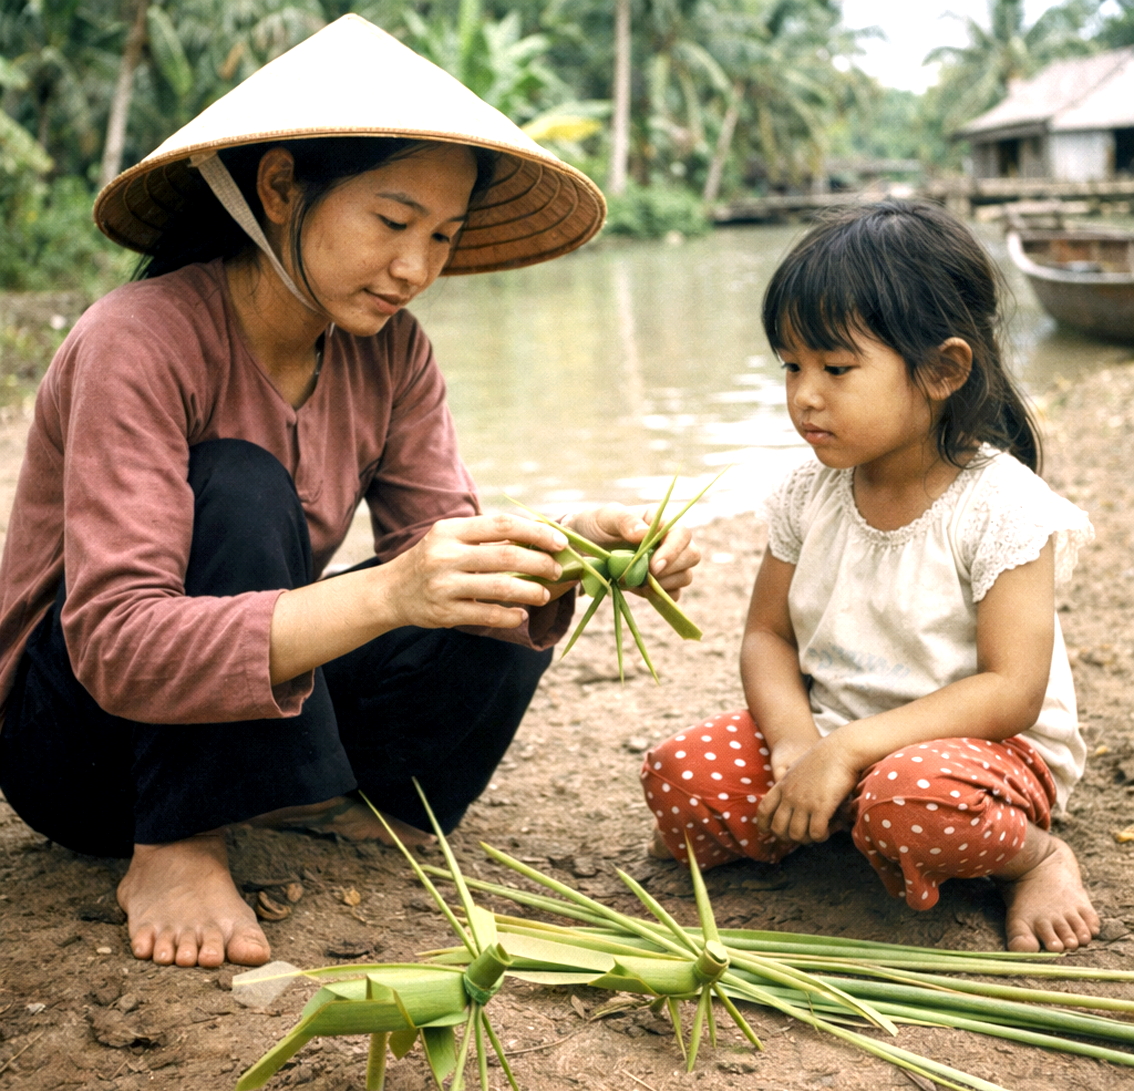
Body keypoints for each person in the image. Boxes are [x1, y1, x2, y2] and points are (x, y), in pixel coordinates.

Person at [0, 16, 699, 970]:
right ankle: (178, 843)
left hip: (241, 700)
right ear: (283, 187)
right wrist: (386, 592)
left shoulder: (395, 351)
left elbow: (439, 546)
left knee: (491, 572)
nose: (417, 268)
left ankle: (347, 806)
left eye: (443, 236)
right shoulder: (140, 339)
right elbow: (118, 644)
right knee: (240, 485)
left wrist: (569, 546)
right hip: (80, 742)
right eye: (392, 221)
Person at [641, 199, 1100, 954]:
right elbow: (766, 634)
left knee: (911, 803)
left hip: (975, 757)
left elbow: (1011, 691)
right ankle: (837, 817)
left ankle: (1036, 857)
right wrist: (795, 746)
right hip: (830, 738)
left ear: (944, 369)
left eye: (836, 369)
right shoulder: (807, 492)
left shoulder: (1003, 506)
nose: (803, 395)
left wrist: (850, 751)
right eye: (791, 366)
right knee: (680, 777)